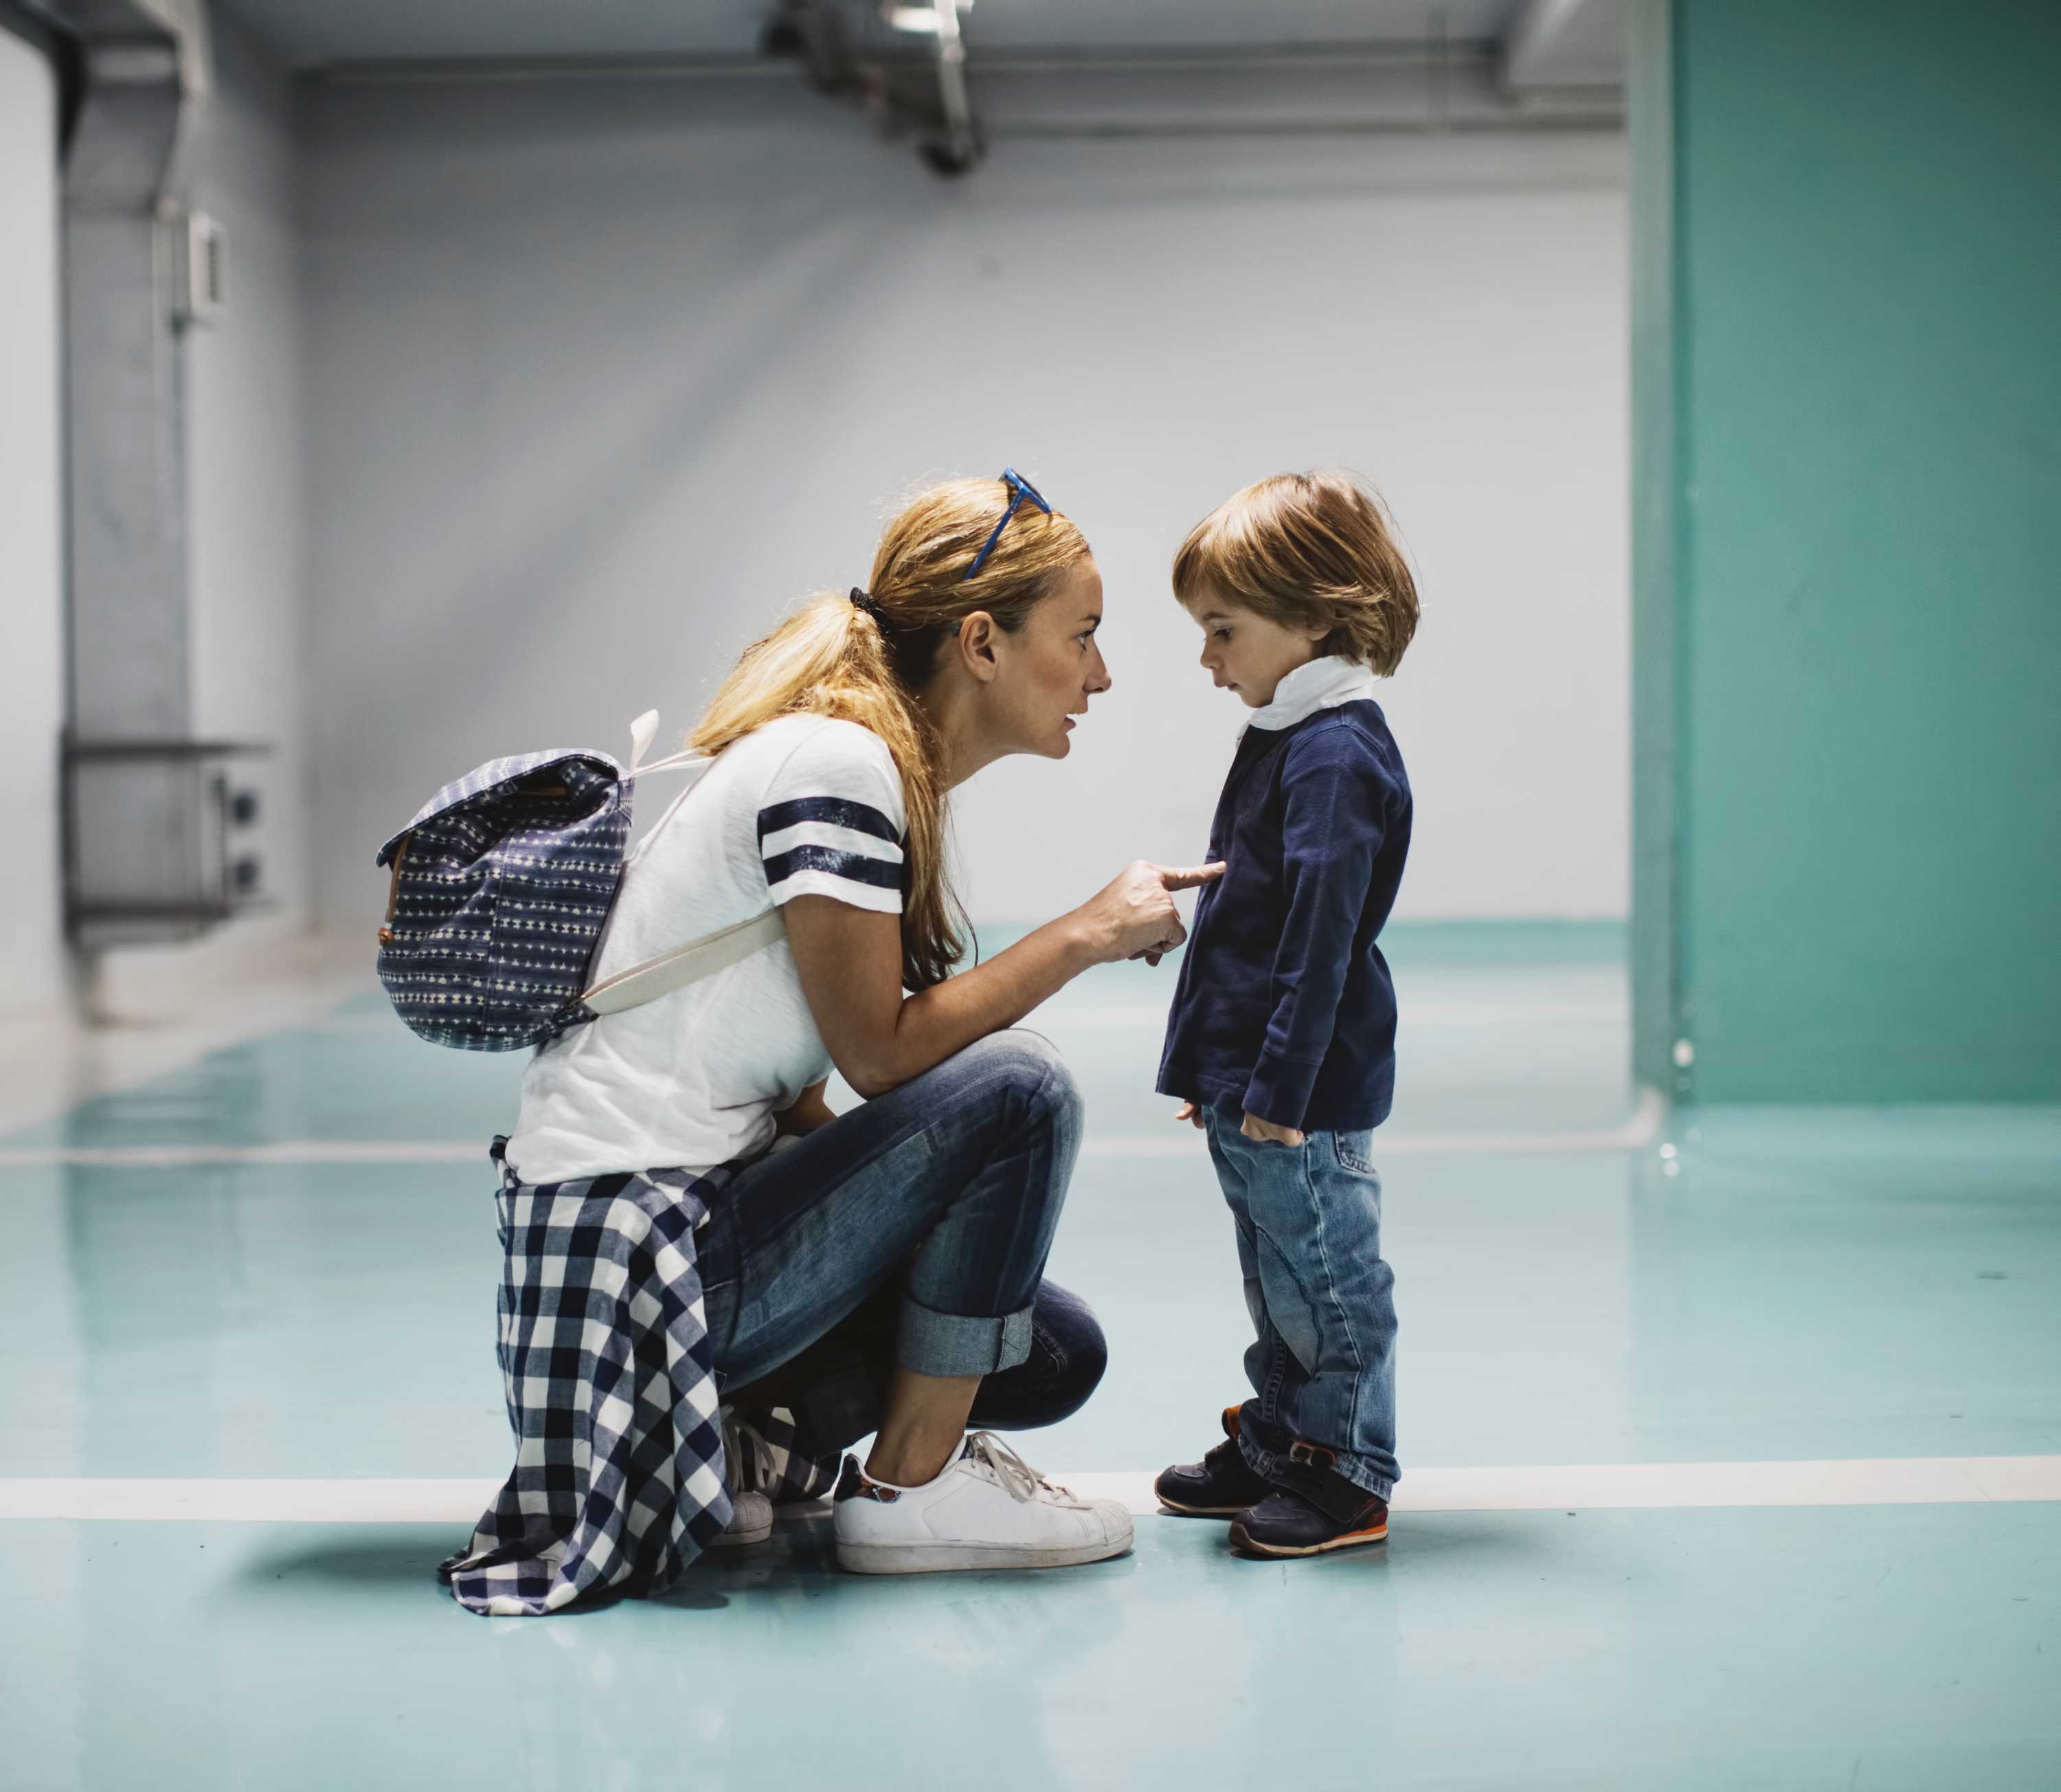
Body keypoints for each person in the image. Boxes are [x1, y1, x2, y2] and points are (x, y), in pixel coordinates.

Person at [461, 470, 1223, 1605]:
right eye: (1084, 636)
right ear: (982, 642)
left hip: (650, 1246)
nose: (1100, 675)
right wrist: (1084, 935)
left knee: (1054, 1350)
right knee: (1020, 1088)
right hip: (637, 1258)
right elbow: (877, 1053)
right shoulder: (840, 765)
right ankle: (911, 1495)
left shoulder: (856, 761)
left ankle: (729, 1441)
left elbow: (809, 1094)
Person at [1150, 470, 1420, 1558]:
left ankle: (1349, 1467)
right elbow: (1246, 914)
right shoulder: (1285, 732)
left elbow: (1317, 942)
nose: (1207, 660)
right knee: (1275, 1270)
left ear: (1312, 618)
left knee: (1329, 1282)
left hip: (1298, 1098)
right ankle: (1282, 1437)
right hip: (1253, 1087)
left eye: (1222, 630)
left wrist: (1276, 1091)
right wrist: (1213, 1074)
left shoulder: (1338, 752)